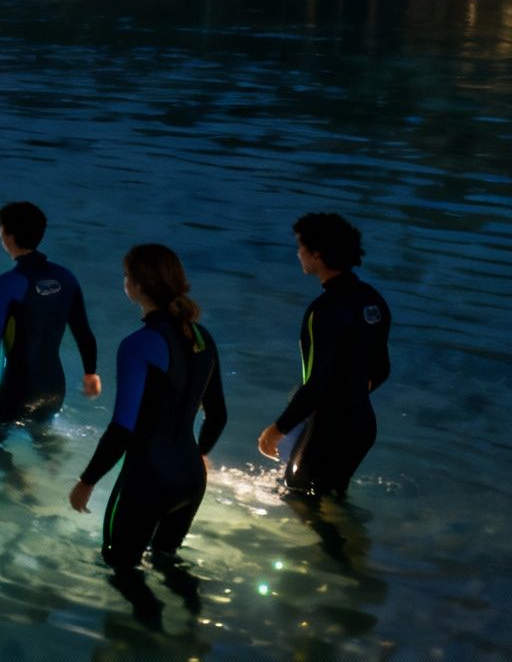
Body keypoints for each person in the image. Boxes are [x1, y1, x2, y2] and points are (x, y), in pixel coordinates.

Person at [68, 244, 227, 589]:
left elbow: (122, 428)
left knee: (120, 569)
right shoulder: (202, 336)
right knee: (167, 562)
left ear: (138, 286)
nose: (124, 281)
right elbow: (218, 414)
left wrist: (87, 480)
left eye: (127, 275)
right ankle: (190, 620)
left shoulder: (137, 344)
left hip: (147, 480)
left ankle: (150, 630)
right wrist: (197, 455)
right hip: (191, 478)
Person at [257, 213, 392, 498]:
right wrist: (351, 395)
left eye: (300, 248)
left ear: (316, 255)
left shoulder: (324, 310)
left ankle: (346, 543)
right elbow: (382, 369)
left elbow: (316, 383)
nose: (298, 254)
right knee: (330, 497)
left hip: (332, 426)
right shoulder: (373, 300)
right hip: (363, 423)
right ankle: (350, 541)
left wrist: (277, 429)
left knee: (300, 496)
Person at [0, 202, 101, 433]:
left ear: (8, 236)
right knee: (43, 441)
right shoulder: (66, 278)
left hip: (18, 389)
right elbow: (83, 332)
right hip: (54, 390)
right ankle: (53, 469)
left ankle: (16, 472)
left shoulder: (4, 287)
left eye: (1, 229)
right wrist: (90, 373)